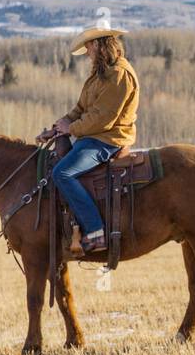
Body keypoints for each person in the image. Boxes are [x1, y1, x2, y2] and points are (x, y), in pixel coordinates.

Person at [37, 27, 140, 255]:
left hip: (107, 140)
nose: (87, 53)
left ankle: (95, 232)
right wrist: (58, 128)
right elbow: (81, 109)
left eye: (89, 47)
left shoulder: (119, 75)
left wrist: (71, 129)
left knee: (62, 173)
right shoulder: (100, 74)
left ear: (100, 45)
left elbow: (102, 119)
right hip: (92, 136)